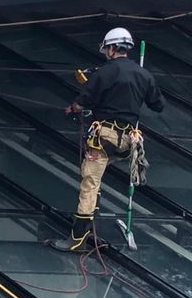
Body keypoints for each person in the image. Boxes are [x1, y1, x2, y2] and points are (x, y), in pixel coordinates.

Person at [53, 27, 165, 252]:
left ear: (112, 48)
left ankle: (77, 239)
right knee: (97, 178)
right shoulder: (144, 75)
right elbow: (158, 105)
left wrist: (73, 108)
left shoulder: (105, 72)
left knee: (90, 182)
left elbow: (84, 100)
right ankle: (90, 225)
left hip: (104, 138)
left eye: (107, 49)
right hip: (127, 142)